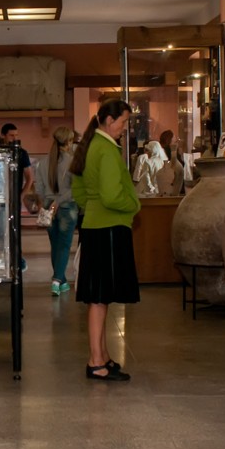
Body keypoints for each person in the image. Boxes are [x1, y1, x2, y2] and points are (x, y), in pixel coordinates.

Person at [70, 100, 141, 382]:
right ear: (109, 121)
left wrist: (92, 207)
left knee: (99, 298)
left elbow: (78, 190)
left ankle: (102, 355)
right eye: (123, 122)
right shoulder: (107, 150)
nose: (125, 128)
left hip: (94, 225)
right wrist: (134, 205)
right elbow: (112, 196)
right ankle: (96, 361)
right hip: (109, 227)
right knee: (100, 299)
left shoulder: (90, 146)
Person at [34, 127, 79, 296]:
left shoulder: (43, 162)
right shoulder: (73, 162)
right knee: (64, 245)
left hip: (47, 207)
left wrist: (43, 205)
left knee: (55, 245)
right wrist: (58, 201)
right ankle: (57, 280)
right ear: (69, 142)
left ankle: (62, 281)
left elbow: (38, 188)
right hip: (67, 207)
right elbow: (75, 189)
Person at [1, 123, 32, 272]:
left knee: (15, 230)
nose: (14, 138)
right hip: (1, 196)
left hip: (15, 197)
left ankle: (18, 259)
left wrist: (21, 195)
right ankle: (4, 259)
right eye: (11, 135)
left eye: (16, 135)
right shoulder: (0, 152)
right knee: (1, 230)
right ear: (4, 136)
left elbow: (29, 177)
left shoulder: (22, 153)